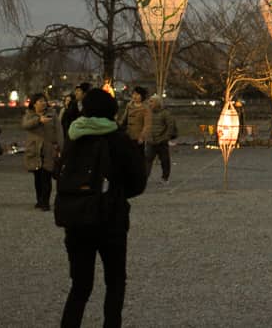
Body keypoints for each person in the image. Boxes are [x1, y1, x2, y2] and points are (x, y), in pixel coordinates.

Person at [58, 88, 147, 327]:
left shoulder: (73, 136)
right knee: (115, 282)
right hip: (111, 219)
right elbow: (138, 181)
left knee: (80, 285)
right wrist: (116, 192)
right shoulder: (118, 139)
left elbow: (60, 173)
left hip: (76, 218)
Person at [22, 93, 61, 210]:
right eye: (40, 101)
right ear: (34, 104)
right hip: (34, 150)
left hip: (48, 149)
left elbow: (59, 131)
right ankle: (39, 200)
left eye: (44, 101)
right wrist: (39, 120)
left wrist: (60, 146)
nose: (43, 103)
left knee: (46, 177)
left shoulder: (52, 114)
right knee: (37, 178)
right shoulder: (29, 114)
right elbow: (25, 125)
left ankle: (45, 203)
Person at [144, 95, 177, 182]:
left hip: (161, 141)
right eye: (149, 101)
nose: (149, 103)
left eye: (152, 101)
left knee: (164, 160)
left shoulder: (165, 113)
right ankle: (145, 177)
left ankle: (165, 177)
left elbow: (170, 126)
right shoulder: (147, 112)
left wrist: (165, 137)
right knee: (147, 160)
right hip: (150, 140)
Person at [117, 87, 149, 153]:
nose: (135, 96)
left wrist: (142, 136)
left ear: (142, 96)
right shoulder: (129, 105)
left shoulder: (145, 109)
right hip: (128, 135)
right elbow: (124, 119)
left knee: (138, 156)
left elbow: (147, 125)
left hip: (138, 138)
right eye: (134, 94)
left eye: (137, 94)